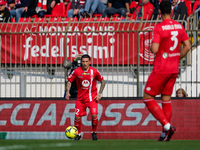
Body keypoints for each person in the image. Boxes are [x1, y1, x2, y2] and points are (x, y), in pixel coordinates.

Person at [143, 1, 190, 141]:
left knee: (147, 97)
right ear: (171, 11)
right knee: (166, 100)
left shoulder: (159, 27)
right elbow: (187, 46)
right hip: (173, 68)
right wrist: (177, 57)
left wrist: (152, 47)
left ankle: (168, 126)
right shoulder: (179, 26)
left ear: (159, 13)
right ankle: (164, 134)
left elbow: (155, 49)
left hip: (161, 68)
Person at [65, 54, 106, 141]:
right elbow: (69, 81)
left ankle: (94, 133)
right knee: (77, 117)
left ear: (89, 62)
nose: (85, 63)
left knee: (94, 115)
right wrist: (67, 92)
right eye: (83, 61)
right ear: (81, 62)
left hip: (92, 98)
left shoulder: (94, 71)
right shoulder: (76, 71)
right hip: (80, 99)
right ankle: (78, 134)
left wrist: (99, 93)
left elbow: (103, 82)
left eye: (86, 61)